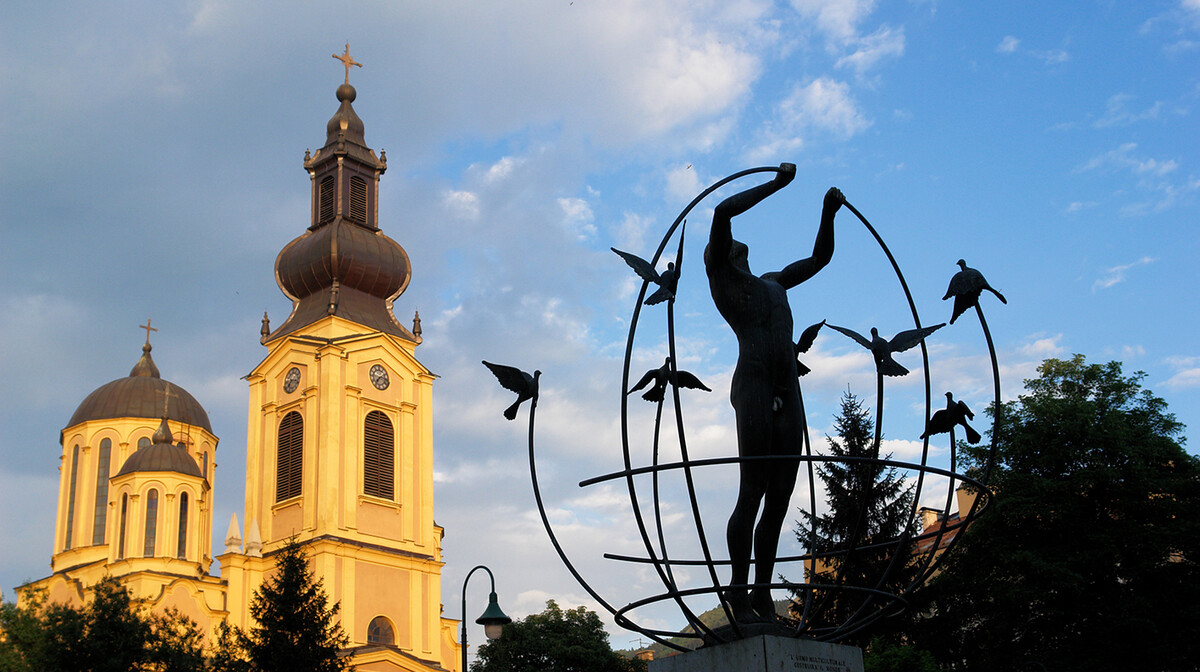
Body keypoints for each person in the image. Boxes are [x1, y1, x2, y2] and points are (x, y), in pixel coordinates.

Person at [704, 163, 844, 623]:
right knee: (753, 490)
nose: (737, 249)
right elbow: (722, 211)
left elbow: (819, 259)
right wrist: (778, 184)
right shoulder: (724, 281)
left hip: (789, 389)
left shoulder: (772, 282)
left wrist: (828, 213)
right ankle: (738, 590)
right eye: (730, 247)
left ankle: (762, 591)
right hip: (754, 386)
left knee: (781, 496)